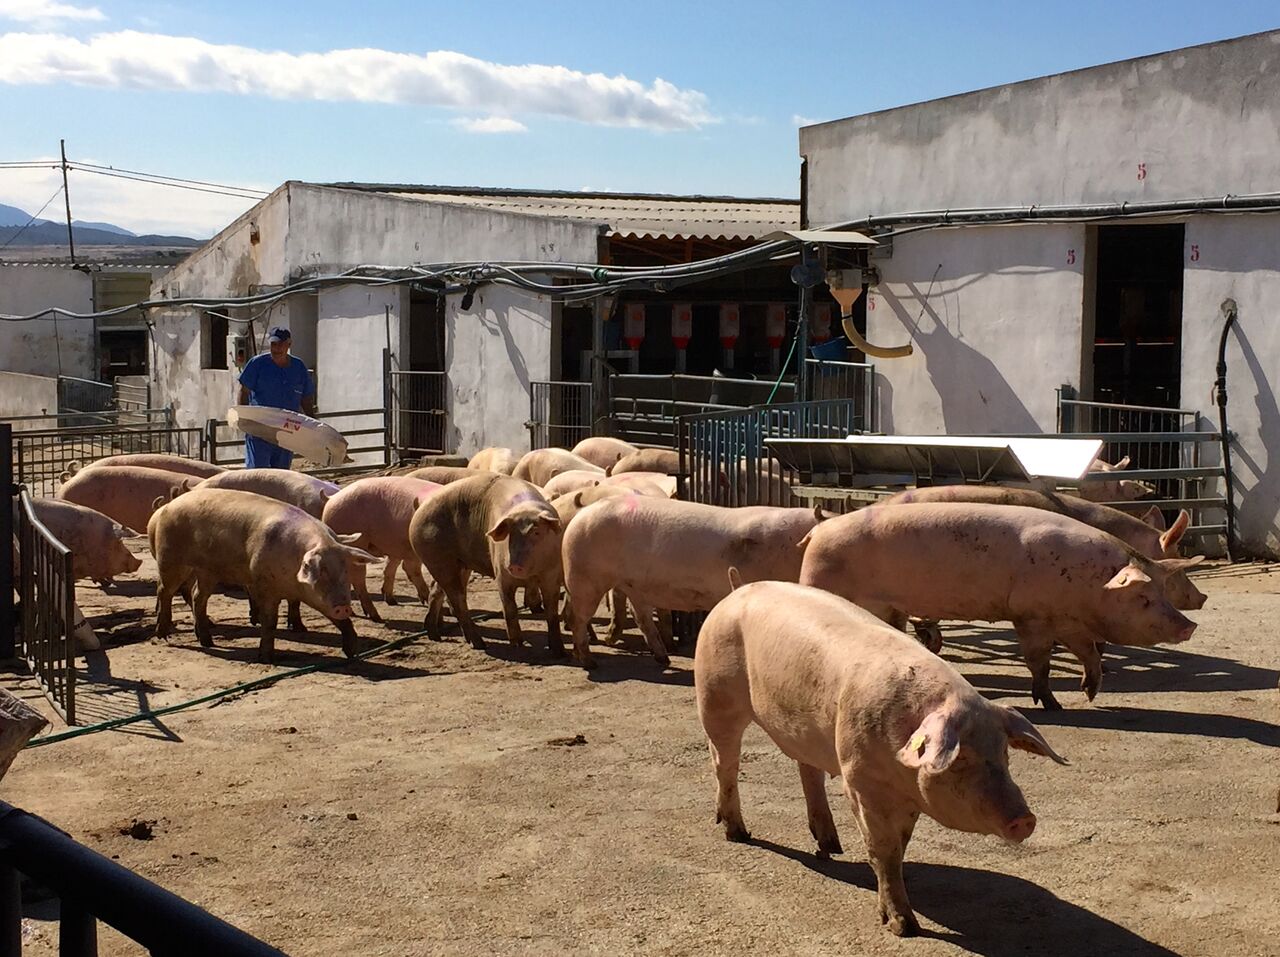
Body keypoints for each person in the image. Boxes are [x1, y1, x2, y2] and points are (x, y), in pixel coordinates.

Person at [237, 326, 317, 469]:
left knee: (281, 474)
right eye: (273, 344)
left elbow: (305, 398)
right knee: (257, 473)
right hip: (260, 428)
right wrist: (243, 417)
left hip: (287, 429)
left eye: (280, 344)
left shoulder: (298, 367)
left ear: (289, 345)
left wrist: (313, 425)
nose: (276, 348)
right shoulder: (257, 364)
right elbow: (244, 391)